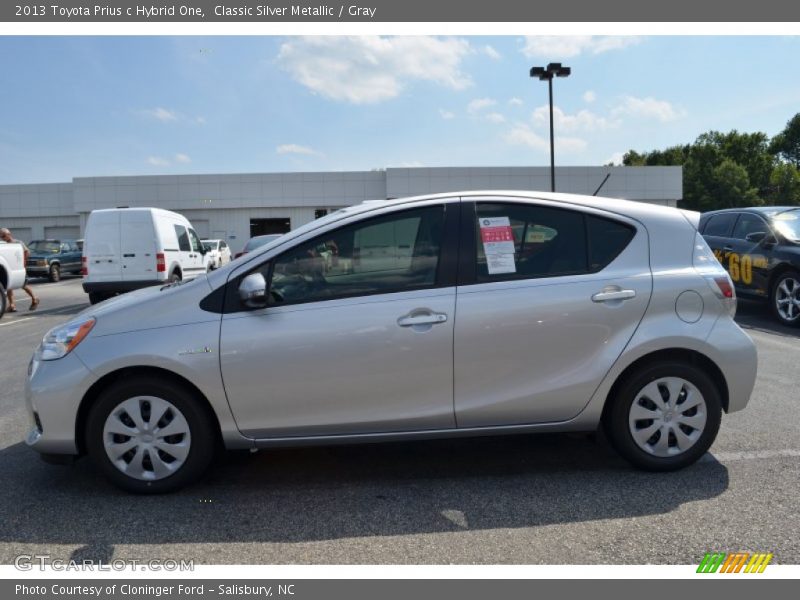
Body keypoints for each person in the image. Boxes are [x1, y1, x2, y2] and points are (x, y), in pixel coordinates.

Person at [0, 228, 39, 312]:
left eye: (3, 236)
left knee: (23, 285)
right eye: (1, 237)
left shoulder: (18, 243)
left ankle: (34, 298)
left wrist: (23, 262)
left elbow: (27, 252)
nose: (2, 238)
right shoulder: (4, 245)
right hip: (10, 269)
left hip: (20, 267)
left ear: (9, 234)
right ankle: (12, 305)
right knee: (9, 286)